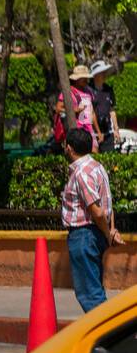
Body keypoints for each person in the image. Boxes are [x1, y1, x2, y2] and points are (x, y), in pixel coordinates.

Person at [61, 127, 121, 313]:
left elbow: (97, 211)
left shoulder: (82, 173)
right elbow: (108, 202)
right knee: (95, 290)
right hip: (92, 236)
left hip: (84, 236)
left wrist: (107, 233)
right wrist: (111, 230)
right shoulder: (97, 167)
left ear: (69, 148)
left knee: (90, 295)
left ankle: (108, 337)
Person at [55, 65, 97, 149]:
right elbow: (58, 109)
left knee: (94, 151)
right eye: (83, 78)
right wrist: (74, 110)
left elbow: (92, 112)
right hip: (76, 129)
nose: (86, 80)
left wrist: (97, 131)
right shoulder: (68, 92)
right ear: (76, 79)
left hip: (88, 128)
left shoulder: (89, 91)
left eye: (86, 77)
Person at [89, 60, 118, 153]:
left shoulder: (108, 90)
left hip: (108, 133)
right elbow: (90, 112)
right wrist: (97, 132)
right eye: (102, 73)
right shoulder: (89, 90)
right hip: (93, 134)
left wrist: (116, 129)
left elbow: (112, 110)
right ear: (96, 75)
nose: (104, 75)